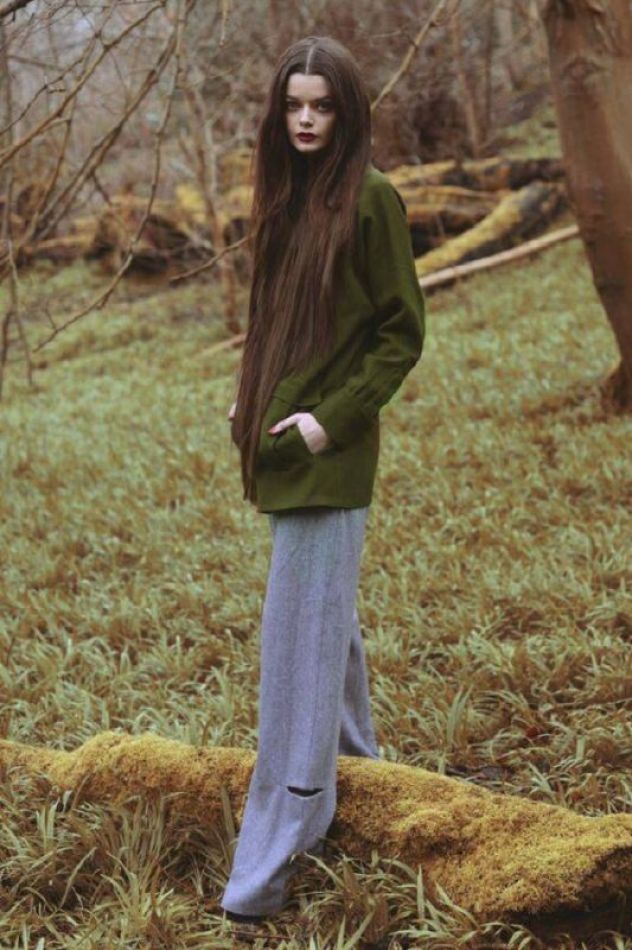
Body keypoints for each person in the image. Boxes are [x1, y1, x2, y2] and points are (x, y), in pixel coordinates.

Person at [221, 34, 425, 923]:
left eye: (323, 106)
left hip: (326, 457)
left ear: (347, 112)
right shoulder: (286, 196)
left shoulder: (372, 199)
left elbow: (401, 334)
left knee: (296, 649)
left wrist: (325, 421)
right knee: (322, 629)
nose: (306, 120)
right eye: (294, 105)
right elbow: (273, 319)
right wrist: (251, 395)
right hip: (277, 446)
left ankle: (277, 845)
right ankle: (366, 779)